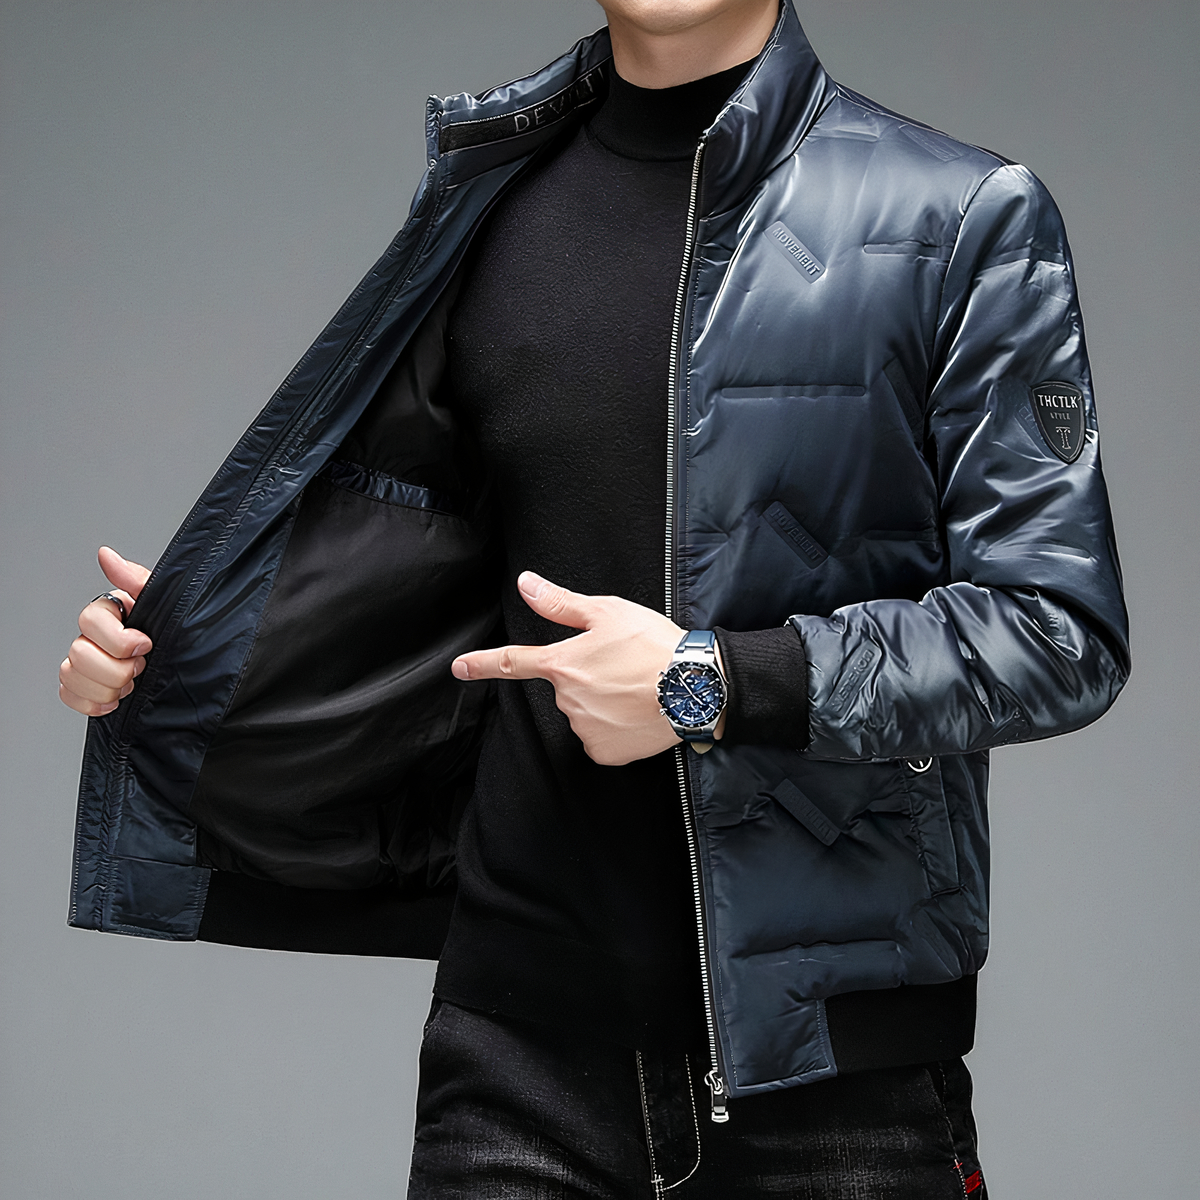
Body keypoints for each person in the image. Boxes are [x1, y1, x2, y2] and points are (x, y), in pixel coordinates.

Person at [56, 0, 1128, 1195]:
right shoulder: (490, 198)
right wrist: (191, 648)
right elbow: (425, 575)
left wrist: (708, 684)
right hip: (512, 1070)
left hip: (839, 1082)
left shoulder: (962, 216)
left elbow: (1059, 631)